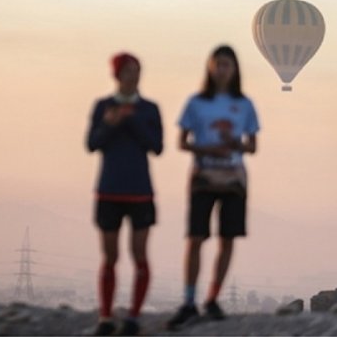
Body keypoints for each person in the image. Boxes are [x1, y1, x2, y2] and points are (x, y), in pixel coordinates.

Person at [167, 45, 260, 330]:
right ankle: (189, 300)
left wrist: (235, 146)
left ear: (235, 69)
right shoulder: (196, 103)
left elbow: (252, 146)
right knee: (196, 237)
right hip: (203, 177)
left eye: (227, 64)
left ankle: (212, 298)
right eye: (218, 64)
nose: (222, 69)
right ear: (210, 67)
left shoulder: (245, 104)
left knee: (227, 239)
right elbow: (181, 142)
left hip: (234, 179)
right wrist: (206, 148)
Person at [86, 52, 163, 336]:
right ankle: (105, 317)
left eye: (138, 70)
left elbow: (157, 145)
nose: (135, 76)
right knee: (110, 256)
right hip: (108, 190)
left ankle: (133, 317)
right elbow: (92, 143)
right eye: (130, 71)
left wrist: (130, 122)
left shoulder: (149, 109)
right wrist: (110, 123)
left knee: (140, 255)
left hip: (140, 191)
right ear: (117, 74)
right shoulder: (103, 106)